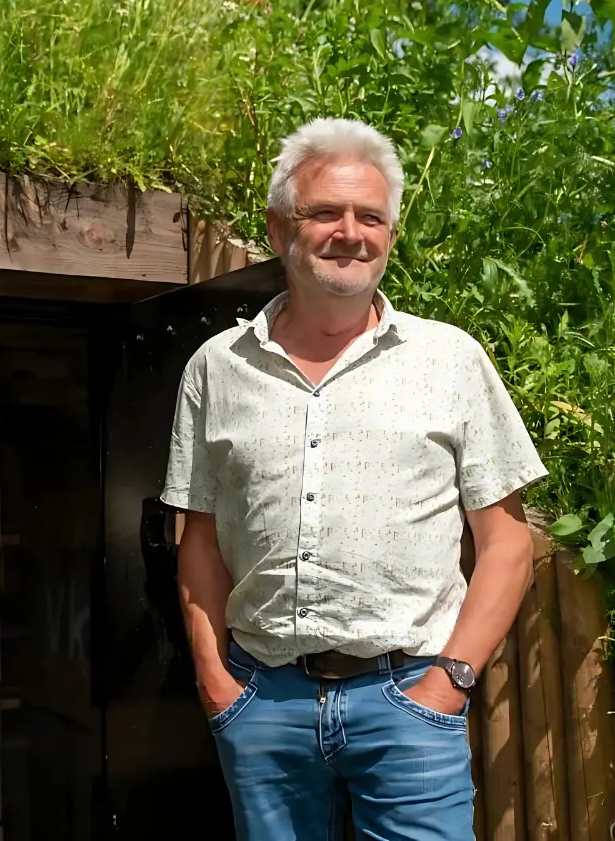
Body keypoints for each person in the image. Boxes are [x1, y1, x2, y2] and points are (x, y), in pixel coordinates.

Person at [160, 117, 546, 840]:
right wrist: (218, 686)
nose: (350, 232)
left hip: (409, 704)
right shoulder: (217, 367)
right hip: (263, 703)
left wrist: (448, 684)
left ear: (390, 237)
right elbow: (200, 539)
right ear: (280, 230)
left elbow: (506, 545)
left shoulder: (450, 361)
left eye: (371, 216)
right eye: (325, 213)